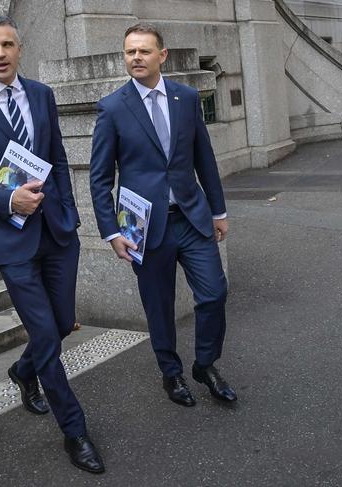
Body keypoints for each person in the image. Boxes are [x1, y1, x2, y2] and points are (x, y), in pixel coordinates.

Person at [0, 16, 104, 474]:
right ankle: (75, 430)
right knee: (47, 335)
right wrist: (6, 197)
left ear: (20, 48)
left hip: (56, 232)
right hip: (9, 239)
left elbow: (55, 155)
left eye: (7, 44)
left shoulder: (41, 94)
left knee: (60, 323)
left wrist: (70, 217)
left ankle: (22, 371)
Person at [90, 23, 237, 408]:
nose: (135, 58)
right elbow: (100, 177)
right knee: (159, 307)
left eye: (143, 51)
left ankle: (205, 364)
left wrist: (218, 211)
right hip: (143, 227)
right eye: (129, 52)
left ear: (162, 56)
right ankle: (170, 374)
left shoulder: (186, 98)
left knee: (214, 293)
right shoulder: (112, 107)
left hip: (191, 217)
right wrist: (110, 231)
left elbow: (204, 159)